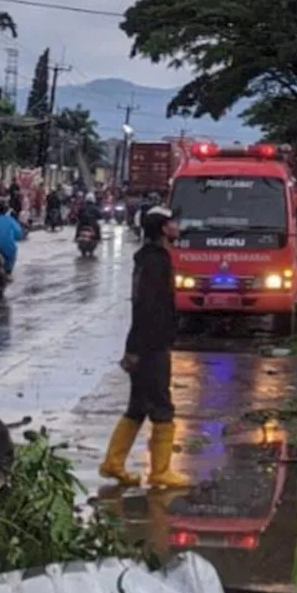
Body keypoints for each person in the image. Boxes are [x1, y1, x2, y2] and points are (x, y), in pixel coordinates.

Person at [98, 205, 192, 488]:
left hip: (145, 343)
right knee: (162, 406)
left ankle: (113, 463)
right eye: (174, 222)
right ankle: (160, 471)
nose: (178, 226)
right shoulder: (156, 262)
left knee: (138, 406)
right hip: (152, 345)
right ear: (164, 229)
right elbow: (146, 306)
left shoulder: (151, 259)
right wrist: (137, 348)